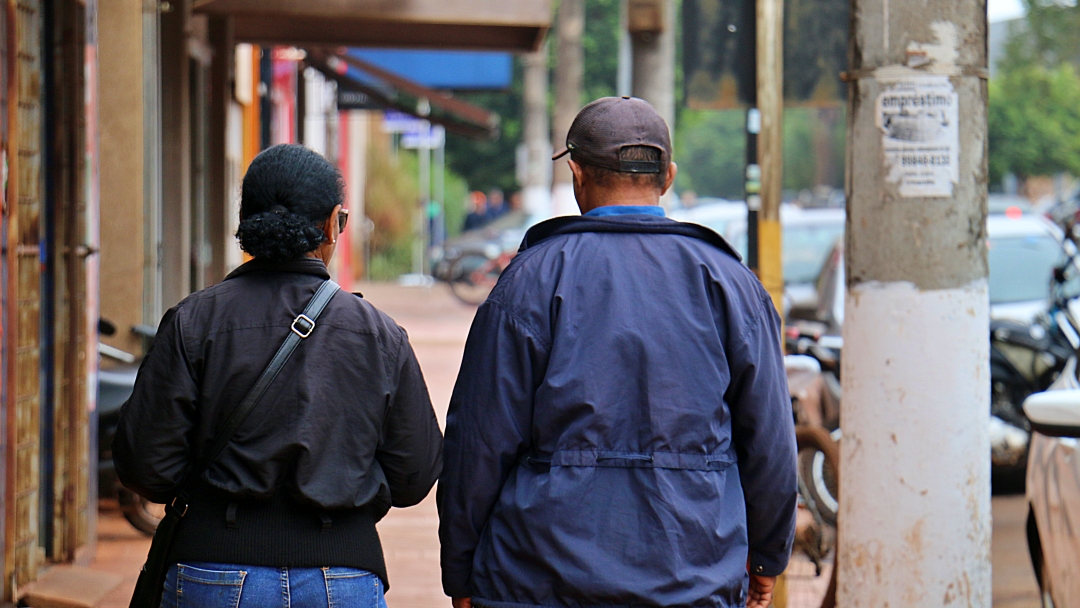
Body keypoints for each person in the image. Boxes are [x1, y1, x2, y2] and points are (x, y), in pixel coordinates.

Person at [438, 97, 797, 608]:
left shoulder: (529, 281)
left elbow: (478, 441)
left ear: (577, 174)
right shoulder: (731, 284)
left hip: (538, 580)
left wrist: (461, 569)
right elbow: (771, 444)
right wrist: (767, 558)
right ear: (668, 177)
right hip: (694, 578)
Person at [115, 143, 443, 608]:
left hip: (214, 569)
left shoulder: (193, 321)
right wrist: (344, 489)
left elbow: (146, 464)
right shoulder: (379, 335)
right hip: (343, 574)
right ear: (332, 224)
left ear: (246, 222)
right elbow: (414, 474)